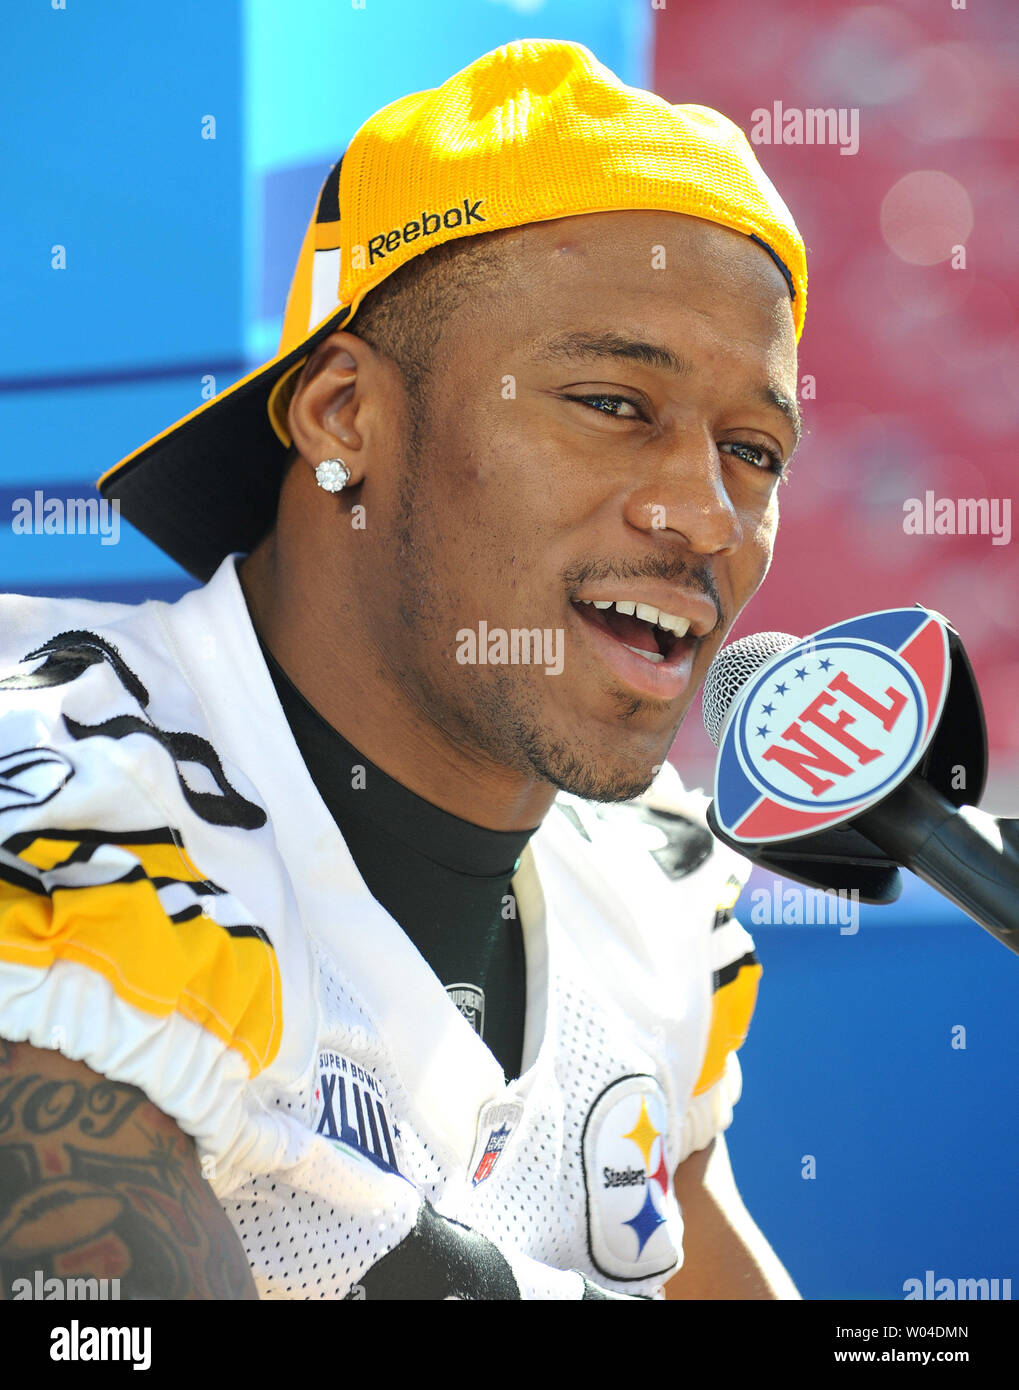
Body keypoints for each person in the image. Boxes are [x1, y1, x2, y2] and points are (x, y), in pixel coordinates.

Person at [0, 38, 805, 1300]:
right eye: (610, 402)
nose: (705, 516)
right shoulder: (66, 782)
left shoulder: (650, 889)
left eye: (753, 450)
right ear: (342, 415)